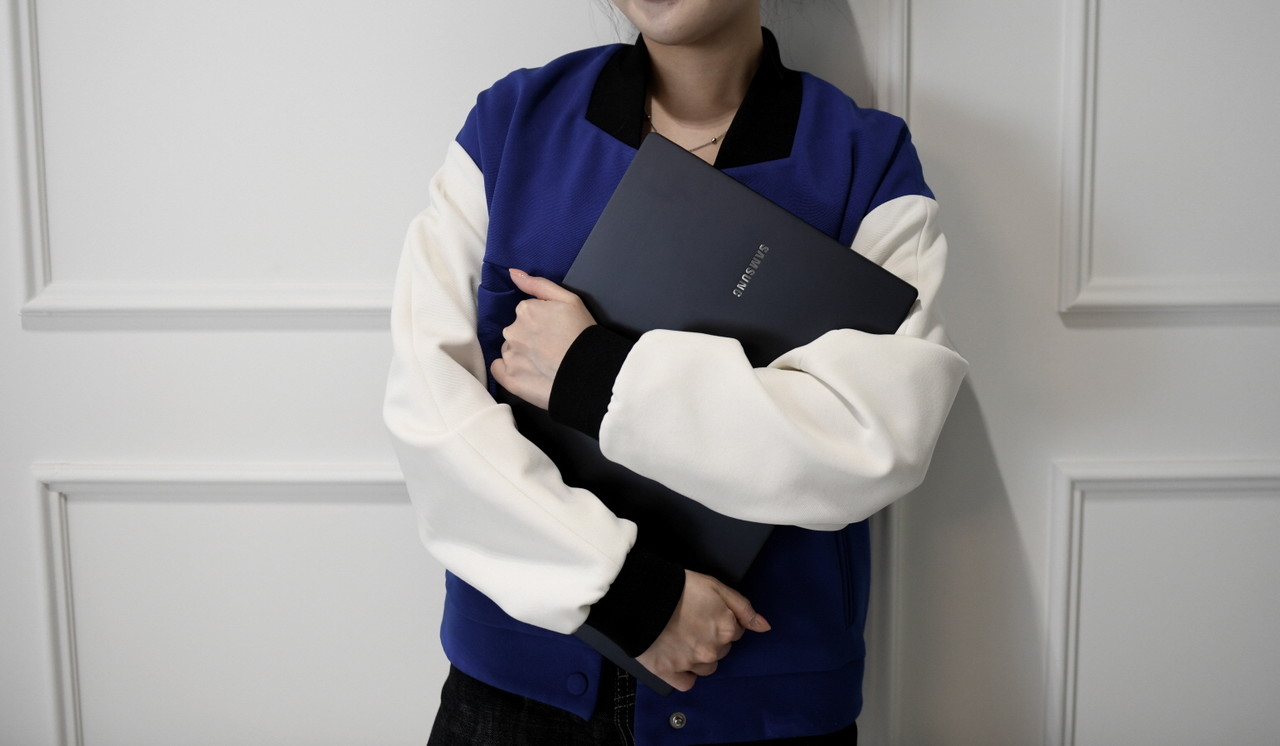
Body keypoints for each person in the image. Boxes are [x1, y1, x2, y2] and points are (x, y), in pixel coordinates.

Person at [383, 1, 967, 743]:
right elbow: (430, 404)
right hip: (515, 697)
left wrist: (596, 377)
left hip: (765, 699)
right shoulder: (511, 125)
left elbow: (880, 433)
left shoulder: (866, 160)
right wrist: (629, 596)